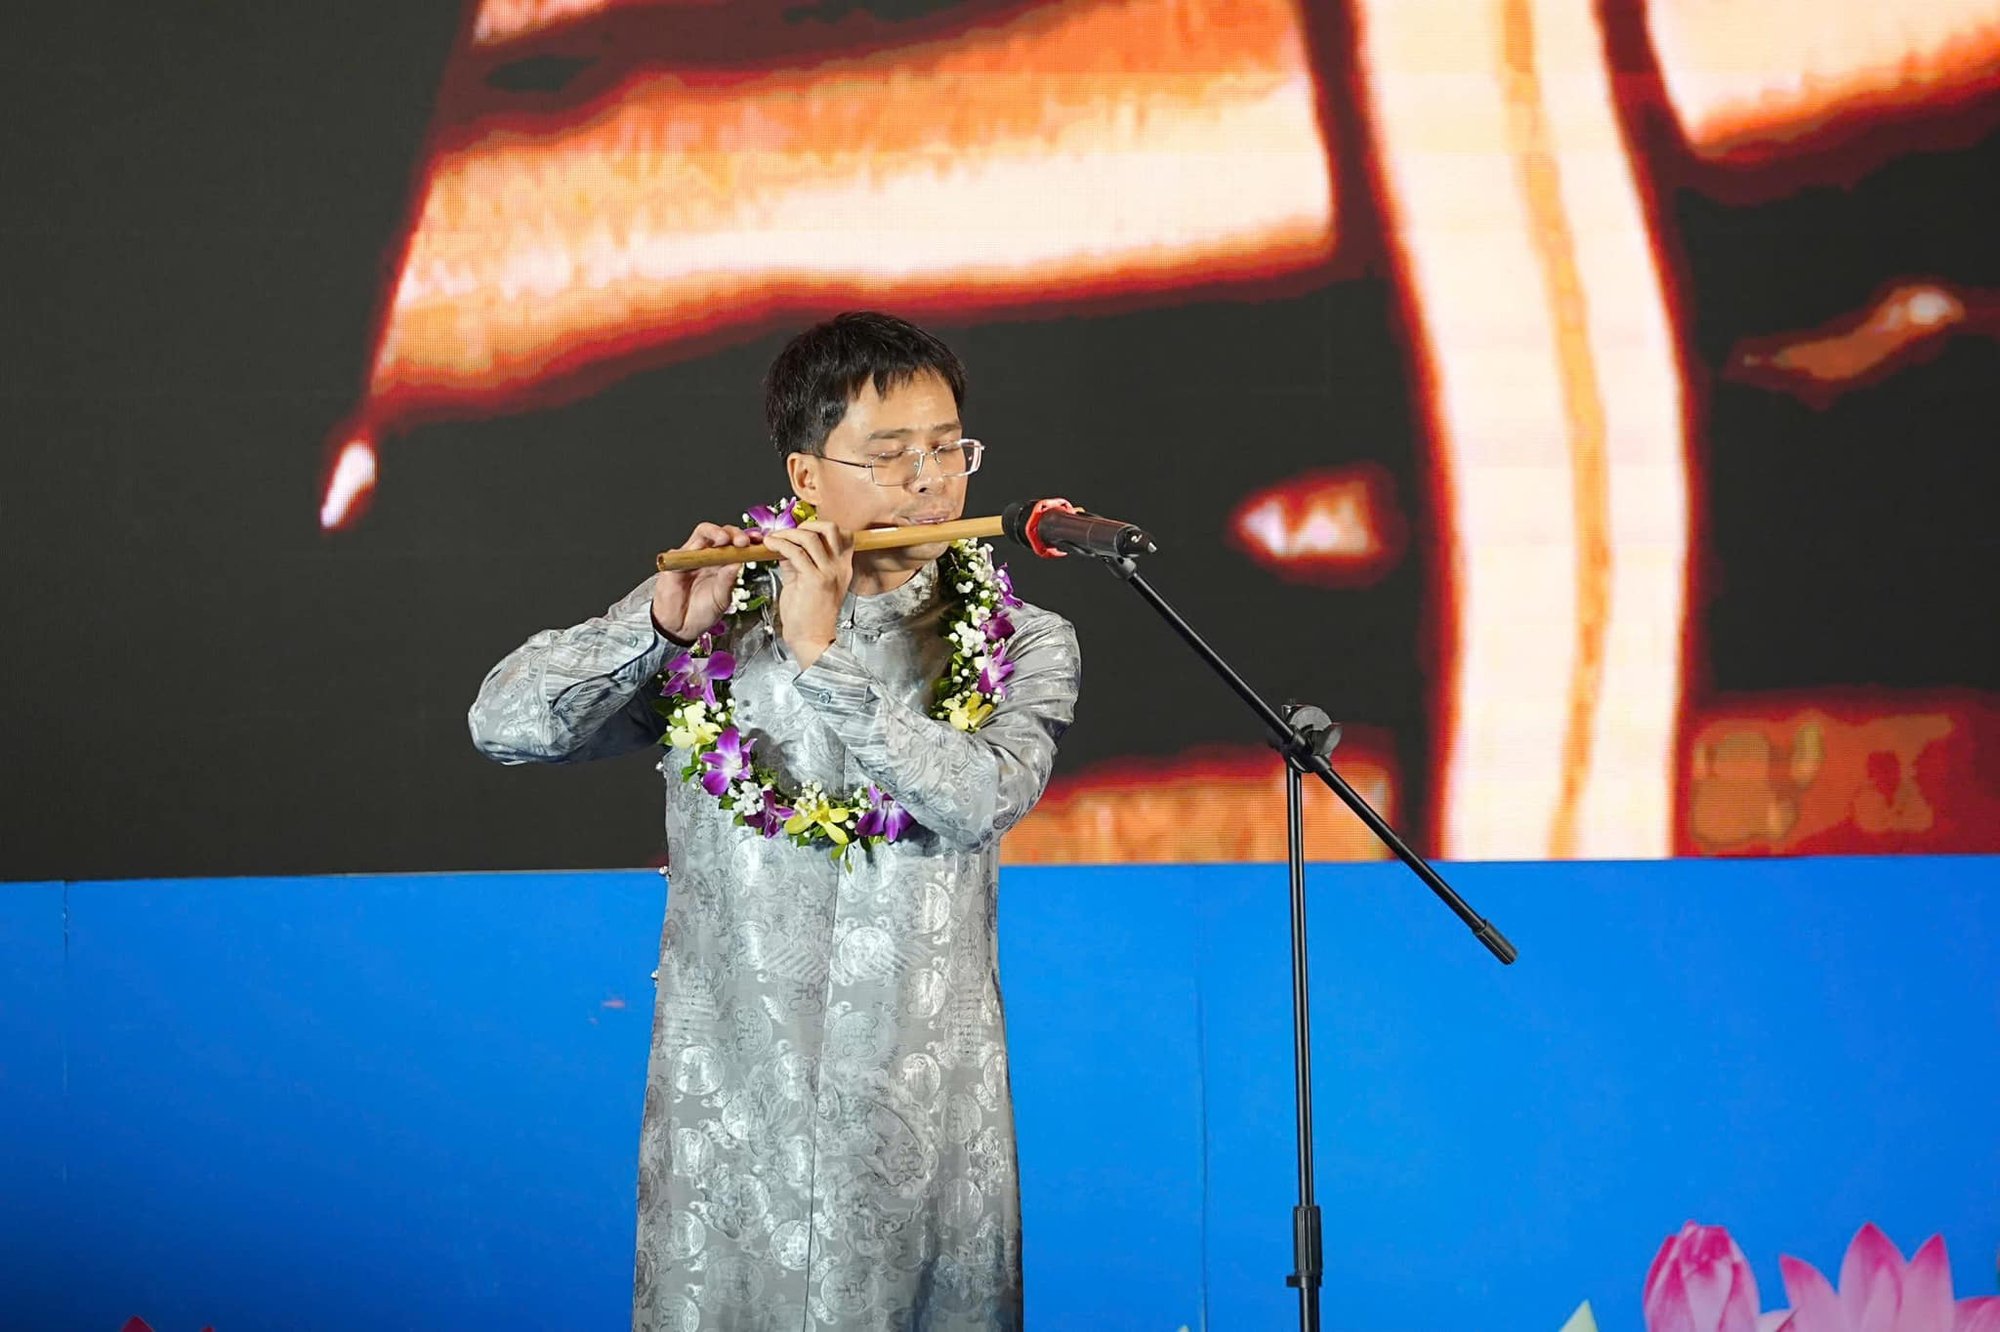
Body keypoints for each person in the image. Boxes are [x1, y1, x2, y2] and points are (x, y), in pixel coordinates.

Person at [468, 311, 1082, 1331]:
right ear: (806, 477)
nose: (929, 481)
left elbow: (978, 799)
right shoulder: (719, 615)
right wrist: (655, 628)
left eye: (948, 449)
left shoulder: (1024, 639)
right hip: (733, 1106)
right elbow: (503, 726)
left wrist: (822, 657)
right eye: (890, 455)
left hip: (921, 1108)